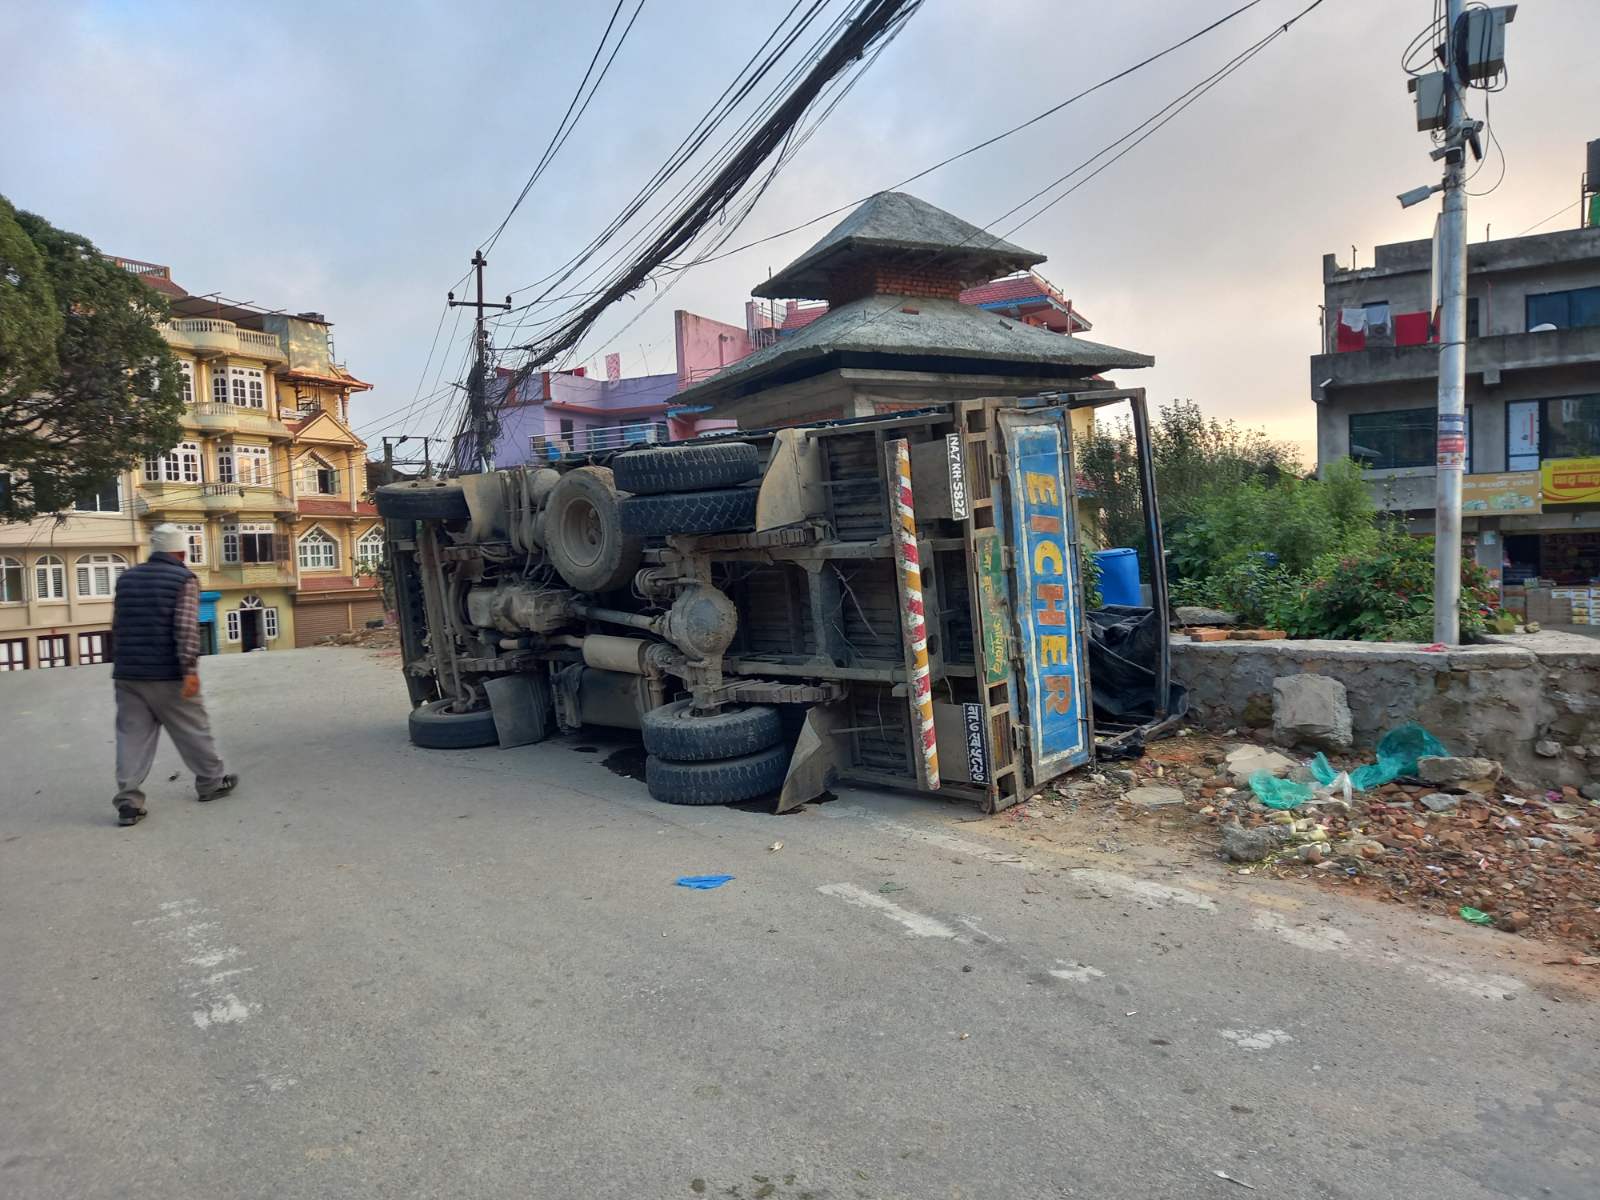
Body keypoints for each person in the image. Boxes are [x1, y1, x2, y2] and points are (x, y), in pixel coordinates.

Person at [110, 523, 237, 826]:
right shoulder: (183, 578)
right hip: (167, 672)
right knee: (193, 726)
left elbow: (117, 625)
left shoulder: (126, 579)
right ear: (181, 552)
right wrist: (189, 670)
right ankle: (210, 782)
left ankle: (128, 801)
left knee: (132, 735)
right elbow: (185, 628)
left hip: (128, 674)